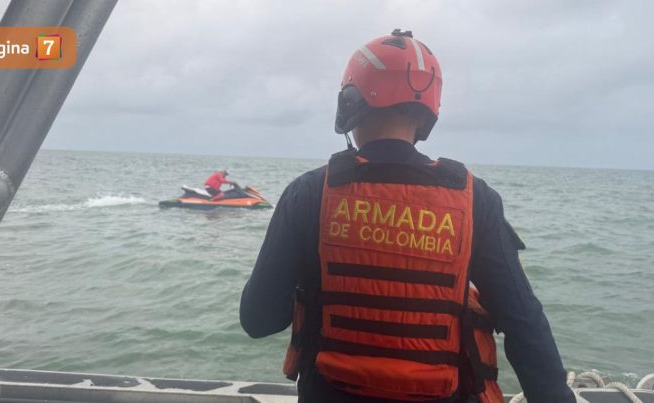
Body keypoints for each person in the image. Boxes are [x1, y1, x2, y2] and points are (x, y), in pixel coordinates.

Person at [240, 29, 575, 403]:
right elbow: (525, 325)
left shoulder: (308, 194)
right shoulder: (473, 200)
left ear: (351, 103)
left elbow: (258, 320)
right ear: (427, 113)